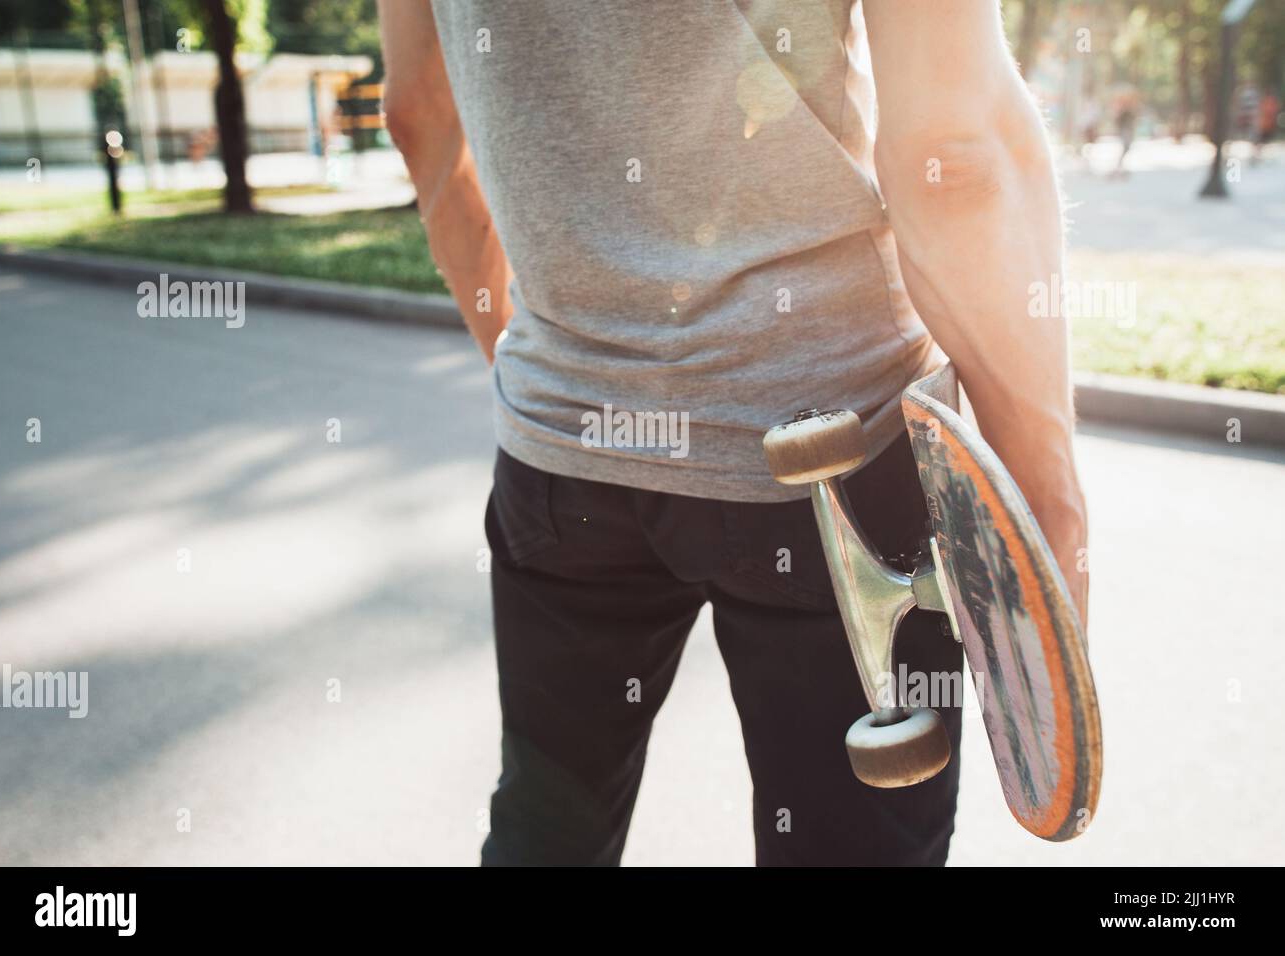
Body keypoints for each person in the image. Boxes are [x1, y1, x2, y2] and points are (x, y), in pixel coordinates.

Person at [378, 0, 1089, 866]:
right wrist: (1048, 508)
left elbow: (417, 113)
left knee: (545, 829)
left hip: (560, 450)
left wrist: (550, 385)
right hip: (830, 457)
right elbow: (954, 152)